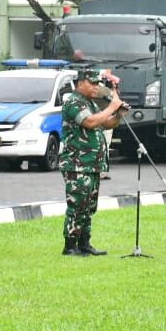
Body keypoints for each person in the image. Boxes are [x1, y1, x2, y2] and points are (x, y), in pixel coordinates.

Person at [59, 69, 124, 257]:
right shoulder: (74, 102)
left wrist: (118, 115)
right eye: (92, 83)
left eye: (97, 83)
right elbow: (89, 122)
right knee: (77, 205)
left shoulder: (89, 103)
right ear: (80, 83)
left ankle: (84, 243)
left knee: (88, 206)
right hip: (77, 163)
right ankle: (70, 246)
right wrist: (111, 107)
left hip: (92, 164)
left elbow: (105, 123)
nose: (96, 87)